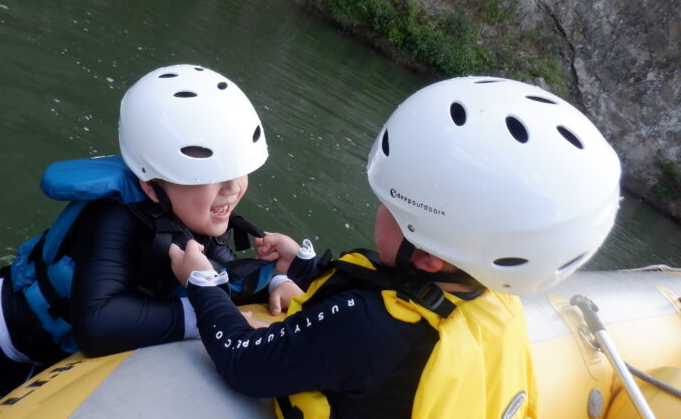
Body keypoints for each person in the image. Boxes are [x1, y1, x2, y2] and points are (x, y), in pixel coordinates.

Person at [170, 76, 622, 419]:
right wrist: (304, 267)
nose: (378, 209)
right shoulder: (493, 301)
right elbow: (385, 307)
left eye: (388, 205)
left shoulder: (367, 327)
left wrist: (203, 283)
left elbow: (241, 359)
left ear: (426, 256)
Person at [0, 64, 303, 418]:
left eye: (239, 171)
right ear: (151, 182)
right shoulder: (114, 218)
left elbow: (217, 274)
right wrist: (204, 316)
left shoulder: (186, 208)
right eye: (210, 176)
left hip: (38, 349)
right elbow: (99, 325)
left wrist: (279, 276)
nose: (233, 189)